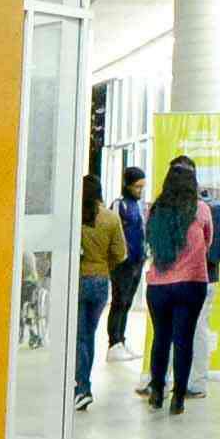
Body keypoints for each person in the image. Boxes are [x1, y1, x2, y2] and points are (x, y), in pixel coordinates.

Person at [137, 157, 220, 414]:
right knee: (184, 339)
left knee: (161, 338)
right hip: (191, 283)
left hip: (159, 285)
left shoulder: (155, 210)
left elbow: (149, 240)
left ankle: (157, 392)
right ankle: (178, 398)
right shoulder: (201, 210)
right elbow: (208, 243)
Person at [73, 175, 130, 411]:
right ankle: (82, 386)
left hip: (76, 280)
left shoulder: (74, 215)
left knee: (78, 337)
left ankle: (81, 387)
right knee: (88, 335)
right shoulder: (110, 217)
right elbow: (121, 254)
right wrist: (105, 265)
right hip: (100, 281)